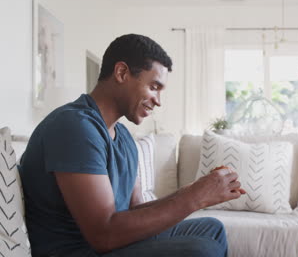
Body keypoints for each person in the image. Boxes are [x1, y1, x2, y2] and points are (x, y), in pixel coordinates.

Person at [19, 33, 245, 257]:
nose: (158, 100)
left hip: (109, 245)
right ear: (121, 73)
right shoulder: (75, 127)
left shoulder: (124, 137)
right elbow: (103, 235)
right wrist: (195, 197)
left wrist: (193, 190)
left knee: (211, 230)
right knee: (200, 250)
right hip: (78, 250)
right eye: (154, 87)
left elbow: (135, 210)